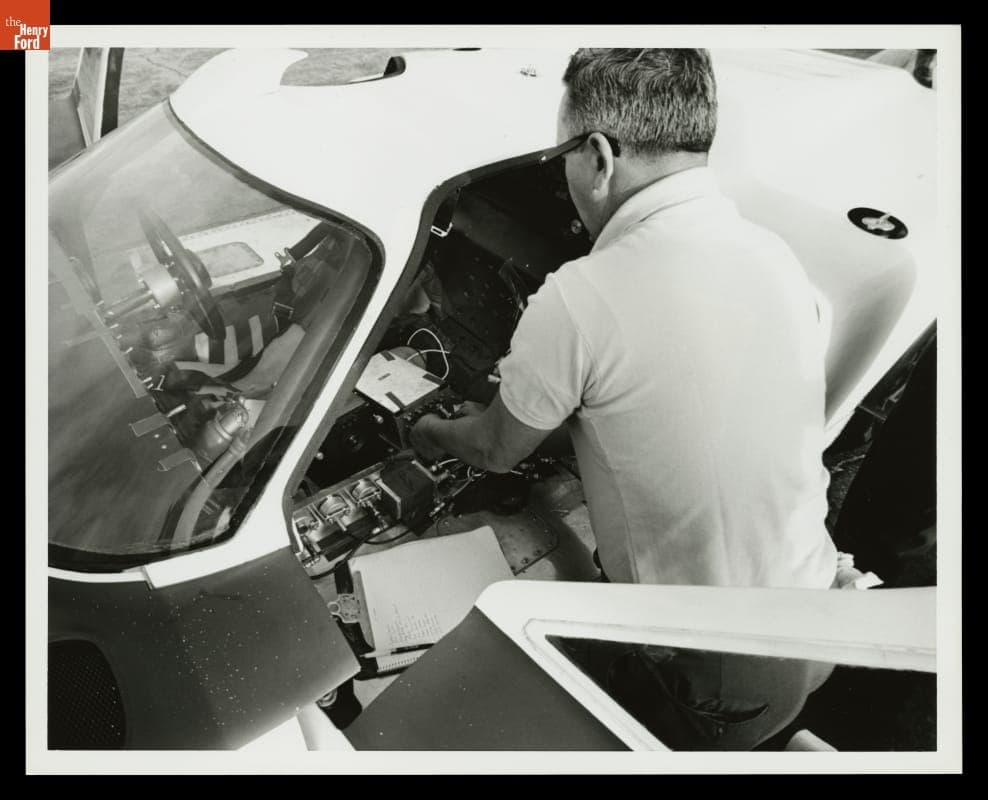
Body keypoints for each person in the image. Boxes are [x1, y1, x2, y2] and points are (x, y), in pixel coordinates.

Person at [409, 48, 837, 749]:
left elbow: (492, 450)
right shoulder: (774, 257)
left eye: (563, 158)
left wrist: (428, 432)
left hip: (711, 673)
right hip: (815, 619)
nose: (566, 176)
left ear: (600, 156)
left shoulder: (584, 294)